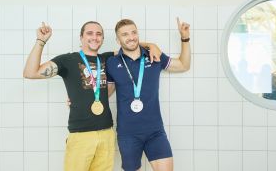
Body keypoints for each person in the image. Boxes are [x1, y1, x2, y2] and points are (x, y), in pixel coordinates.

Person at [23, 21, 160, 171]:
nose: (94, 37)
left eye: (98, 34)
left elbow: (130, 45)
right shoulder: (67, 60)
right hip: (80, 135)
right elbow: (30, 73)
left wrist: (152, 46)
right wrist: (41, 41)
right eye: (89, 33)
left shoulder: (108, 59)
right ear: (81, 37)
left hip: (106, 134)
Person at [106, 18, 191, 171]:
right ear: (118, 40)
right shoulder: (112, 62)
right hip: (128, 134)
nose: (131, 37)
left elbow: (183, 65)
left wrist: (185, 38)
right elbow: (107, 93)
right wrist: (80, 101)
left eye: (133, 32)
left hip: (155, 131)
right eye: (125, 34)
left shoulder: (154, 55)